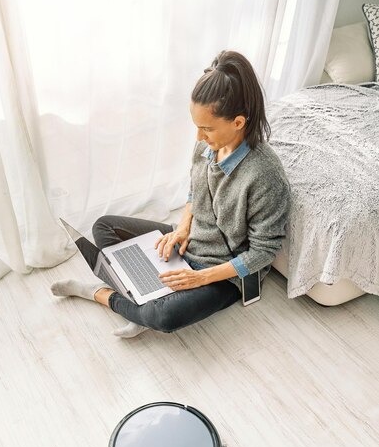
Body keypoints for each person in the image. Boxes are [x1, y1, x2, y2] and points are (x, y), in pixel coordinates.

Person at [51, 50, 290, 338]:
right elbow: (195, 191)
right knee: (104, 226)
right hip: (189, 243)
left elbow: (263, 252)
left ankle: (102, 294)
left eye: (206, 128)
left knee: (164, 316)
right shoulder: (206, 146)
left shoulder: (266, 174)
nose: (199, 138)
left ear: (238, 122)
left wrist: (198, 277)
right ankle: (141, 298)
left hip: (222, 275)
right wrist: (182, 228)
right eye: (196, 127)